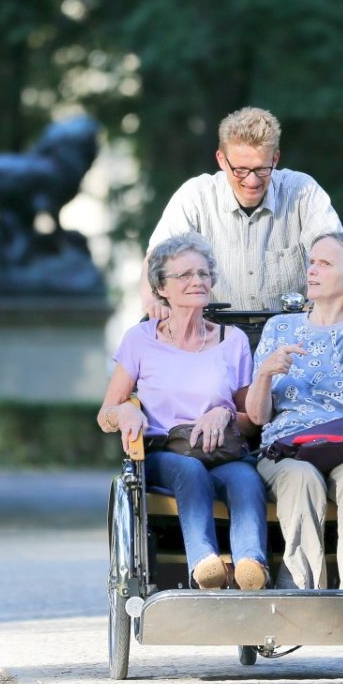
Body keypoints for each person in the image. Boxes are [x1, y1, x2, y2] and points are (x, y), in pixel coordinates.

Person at [99, 232, 269, 591]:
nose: (198, 281)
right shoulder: (140, 339)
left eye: (204, 274)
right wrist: (126, 414)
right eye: (186, 275)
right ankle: (205, 564)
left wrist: (223, 414)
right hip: (167, 451)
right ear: (162, 287)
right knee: (190, 471)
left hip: (223, 450)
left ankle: (251, 566)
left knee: (246, 479)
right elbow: (106, 414)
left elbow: (252, 422)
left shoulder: (232, 340)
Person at [245, 232, 343, 590]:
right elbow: (257, 416)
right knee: (302, 478)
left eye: (325, 264)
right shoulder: (280, 327)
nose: (312, 271)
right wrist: (266, 372)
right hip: (287, 450)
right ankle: (302, 588)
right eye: (311, 262)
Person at [141, 106, 342, 320]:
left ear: (275, 159)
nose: (252, 181)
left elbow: (337, 255)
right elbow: (158, 257)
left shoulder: (303, 192)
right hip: (214, 337)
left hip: (293, 334)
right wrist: (153, 302)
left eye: (261, 169)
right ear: (221, 160)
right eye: (241, 170)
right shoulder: (195, 196)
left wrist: (324, 306)